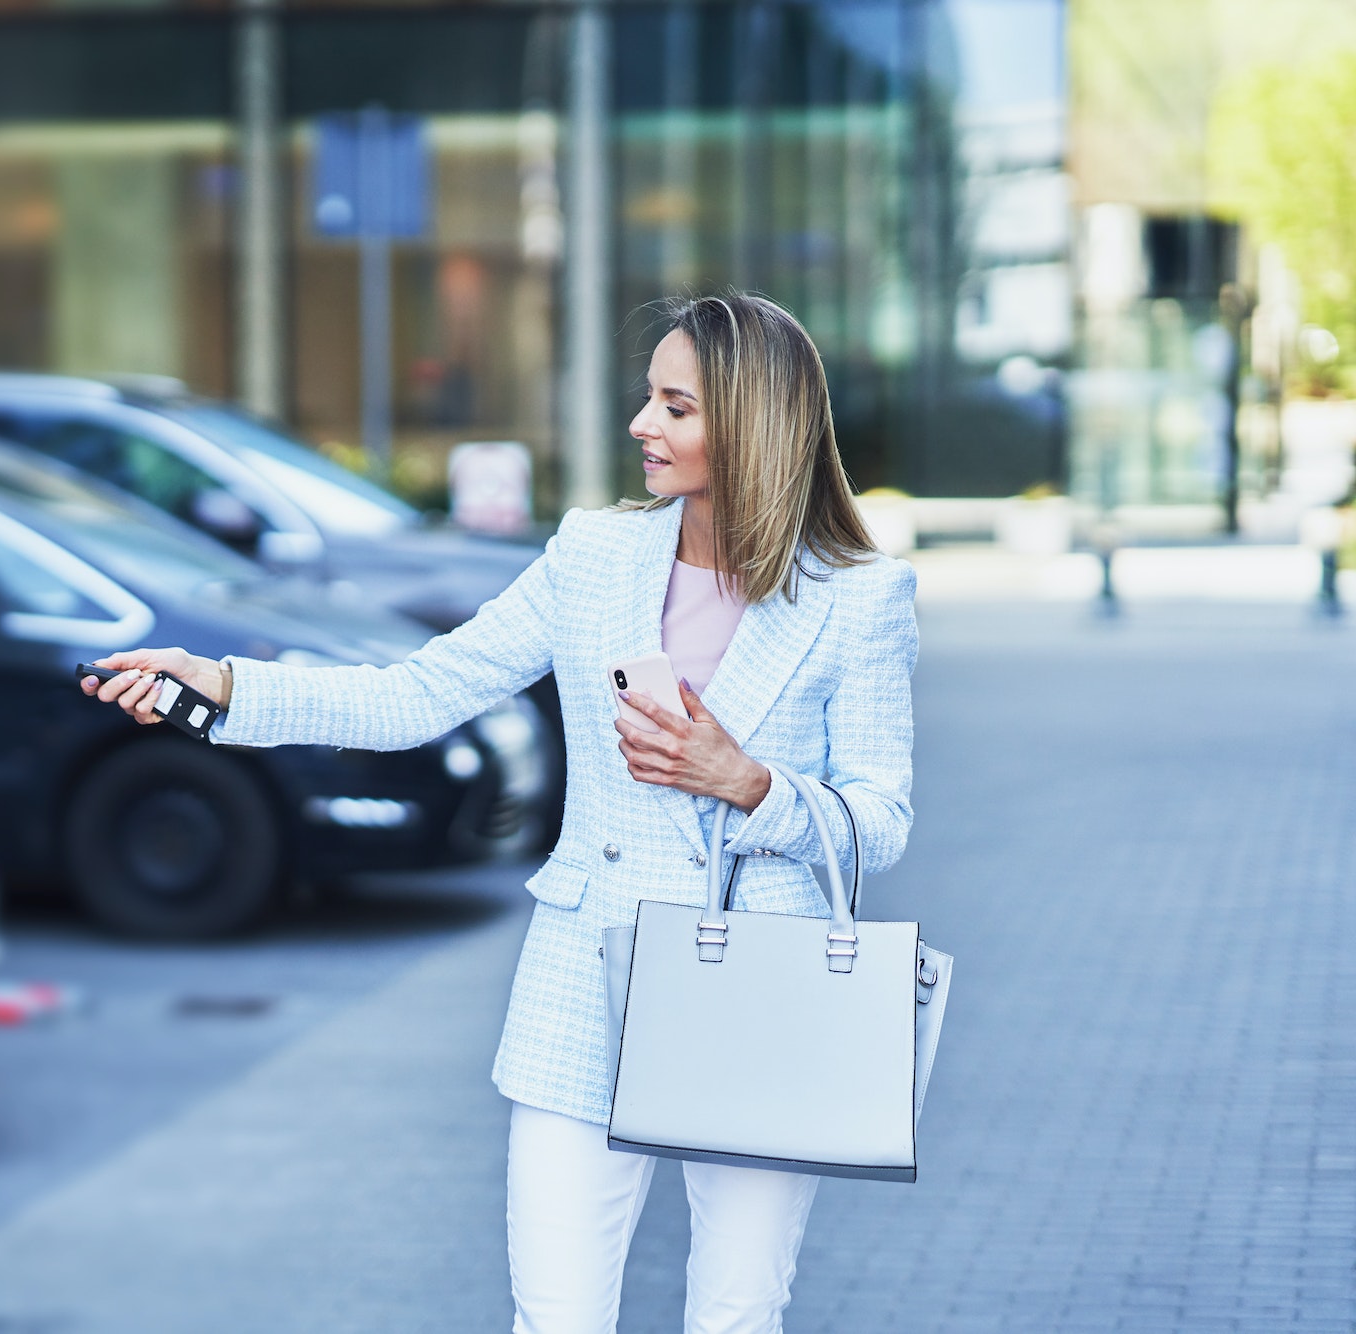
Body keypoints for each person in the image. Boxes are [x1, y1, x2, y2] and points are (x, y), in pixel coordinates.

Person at [81, 293, 917, 1334]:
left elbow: (879, 820)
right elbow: (416, 693)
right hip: (584, 969)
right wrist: (224, 686)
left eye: (674, 407)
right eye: (645, 400)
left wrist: (745, 782)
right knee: (554, 1317)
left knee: (736, 1313)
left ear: (753, 422)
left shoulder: (856, 595)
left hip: (760, 984)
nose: (639, 427)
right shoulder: (592, 556)